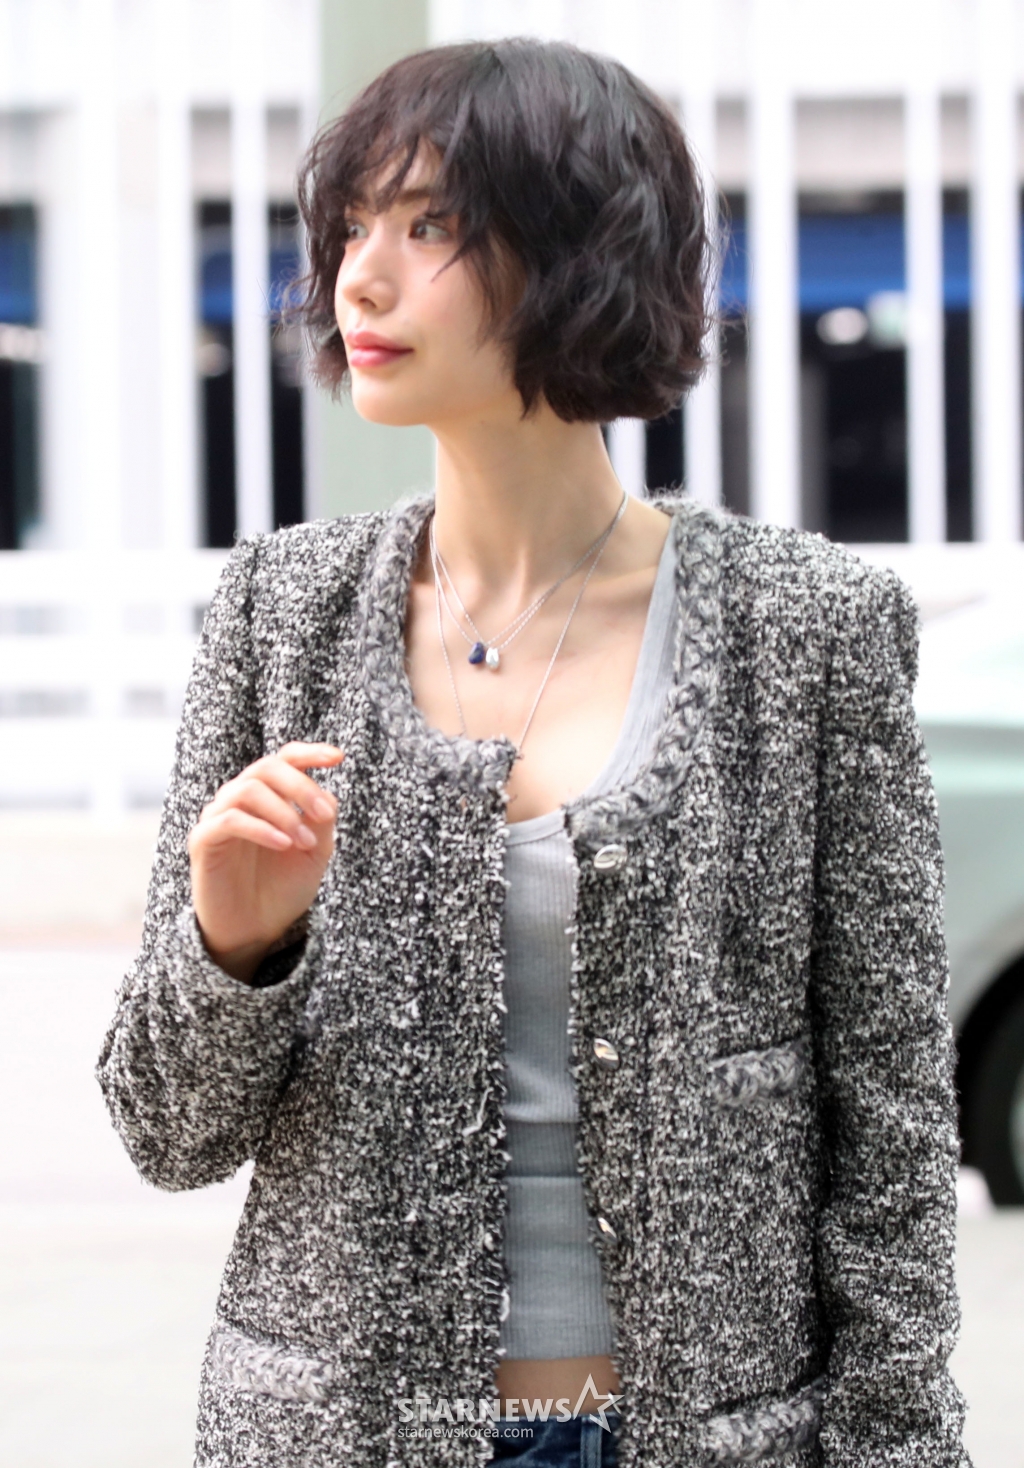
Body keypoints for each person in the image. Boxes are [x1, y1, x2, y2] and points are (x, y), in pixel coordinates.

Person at [96, 36, 971, 1468]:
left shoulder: (809, 631)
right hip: (341, 1436)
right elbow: (165, 1132)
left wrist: (895, 1446)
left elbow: (892, 1130)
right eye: (352, 229)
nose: (360, 279)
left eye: (431, 225)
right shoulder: (282, 613)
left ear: (584, 255)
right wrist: (234, 948)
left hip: (706, 1437)